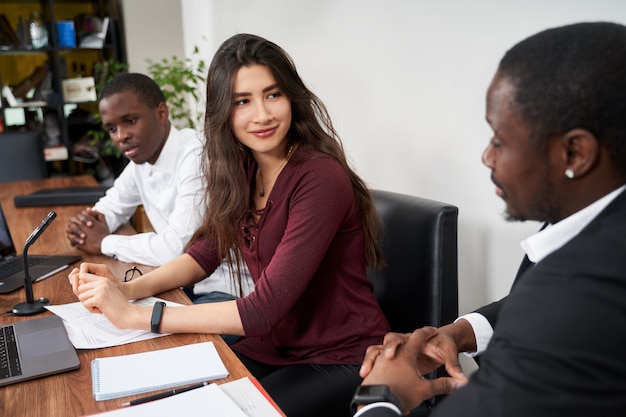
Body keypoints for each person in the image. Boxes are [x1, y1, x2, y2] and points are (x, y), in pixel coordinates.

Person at [69, 34, 390, 417]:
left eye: (273, 95)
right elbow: (205, 253)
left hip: (343, 355)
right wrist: (126, 289)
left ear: (292, 97)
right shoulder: (244, 168)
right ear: (223, 110)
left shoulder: (318, 177)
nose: (262, 114)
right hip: (274, 343)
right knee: (170, 400)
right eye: (242, 101)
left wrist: (136, 315)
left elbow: (261, 310)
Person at [355, 22, 626, 417]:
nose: (487, 156)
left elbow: (550, 313)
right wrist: (458, 333)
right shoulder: (596, 219)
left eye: (499, 140)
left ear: (574, 154)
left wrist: (380, 394)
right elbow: (528, 302)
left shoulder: (573, 305)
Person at [65, 73, 249, 300]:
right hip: (181, 280)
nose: (122, 136)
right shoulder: (142, 159)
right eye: (112, 129)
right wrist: (86, 228)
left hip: (226, 288)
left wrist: (104, 242)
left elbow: (175, 248)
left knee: (142, 324)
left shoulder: (197, 155)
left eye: (131, 121)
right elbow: (110, 207)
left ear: (162, 113)